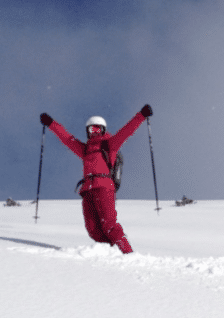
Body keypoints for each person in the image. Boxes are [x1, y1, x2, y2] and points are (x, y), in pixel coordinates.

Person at [39, 105, 153, 254]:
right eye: (91, 130)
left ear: (104, 130)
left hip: (104, 186)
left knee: (109, 225)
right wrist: (51, 123)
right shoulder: (85, 149)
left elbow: (126, 131)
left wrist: (142, 115)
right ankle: (110, 254)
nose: (94, 132)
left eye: (97, 129)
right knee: (93, 229)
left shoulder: (110, 144)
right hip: (87, 190)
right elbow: (67, 139)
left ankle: (128, 254)